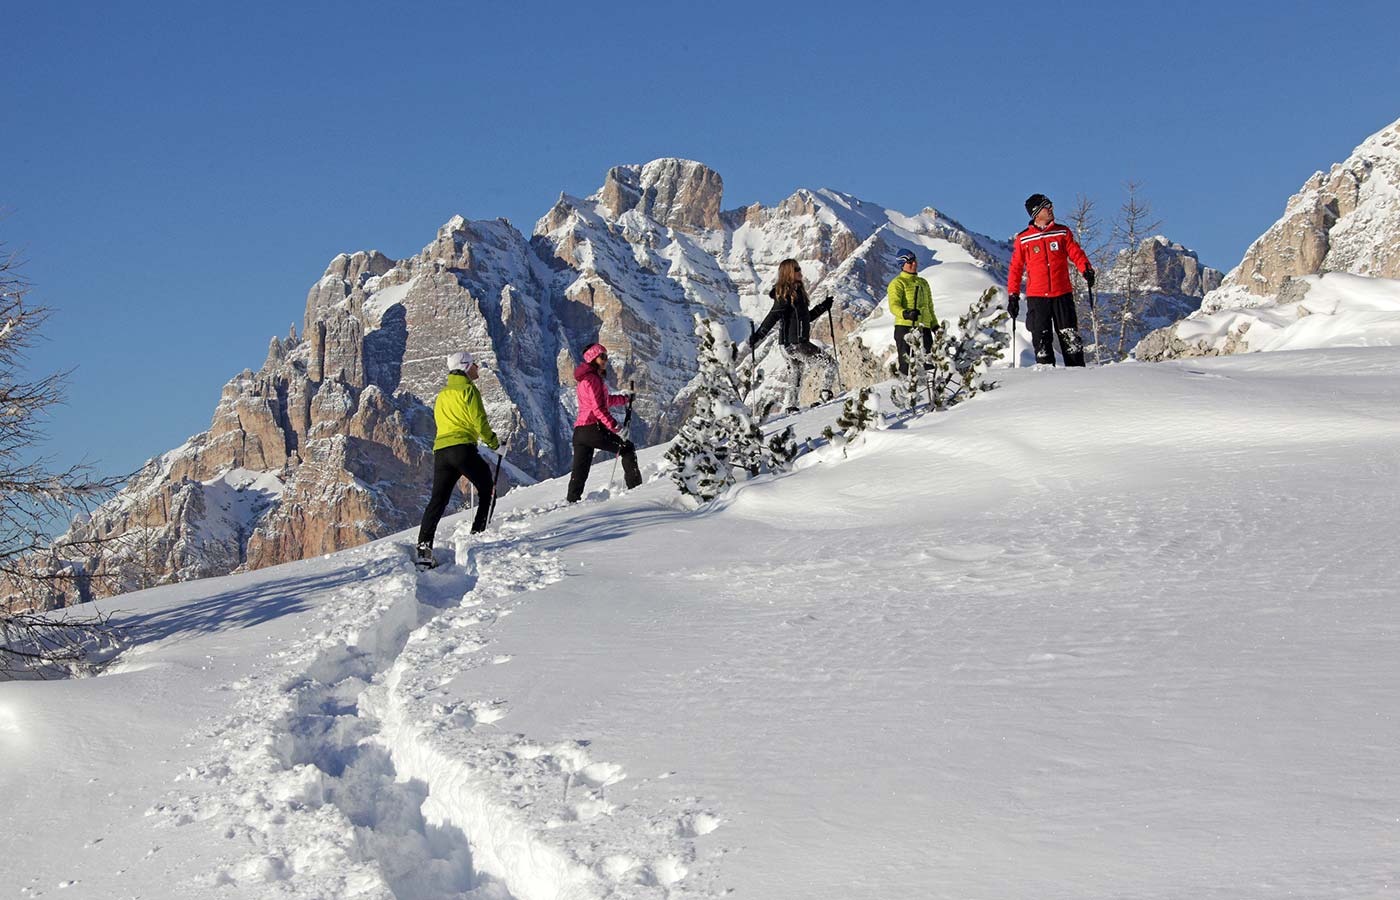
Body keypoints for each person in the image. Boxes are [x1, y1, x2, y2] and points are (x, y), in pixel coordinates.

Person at [416, 350, 499, 568]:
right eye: (474, 364)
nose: (477, 368)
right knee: (487, 489)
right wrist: (494, 443)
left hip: (441, 451)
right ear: (465, 367)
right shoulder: (469, 391)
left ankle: (424, 550)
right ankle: (477, 537)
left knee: (437, 501)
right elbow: (479, 421)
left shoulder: (442, 395)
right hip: (463, 448)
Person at [1007, 194, 1095, 367]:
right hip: (1037, 298)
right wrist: (1013, 296)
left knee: (1071, 340)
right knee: (1042, 343)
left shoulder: (1062, 232)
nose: (1052, 209)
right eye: (1048, 207)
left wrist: (1086, 269)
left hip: (1062, 294)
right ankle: (1047, 383)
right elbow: (1016, 268)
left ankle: (1079, 378)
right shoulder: (1024, 239)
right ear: (1036, 212)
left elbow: (1076, 253)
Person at [750, 258, 835, 412]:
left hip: (786, 346)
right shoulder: (785, 295)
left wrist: (824, 307)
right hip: (797, 344)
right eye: (796, 269)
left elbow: (805, 318)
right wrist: (758, 335)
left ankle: (791, 406)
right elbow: (773, 316)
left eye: (799, 268)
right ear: (788, 273)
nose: (800, 272)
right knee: (830, 364)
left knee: (796, 372)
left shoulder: (796, 293)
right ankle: (825, 395)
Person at [566, 343, 641, 503]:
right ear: (593, 358)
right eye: (603, 357)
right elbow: (599, 409)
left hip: (580, 432)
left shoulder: (585, 379)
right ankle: (638, 492)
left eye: (606, 356)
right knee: (627, 449)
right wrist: (617, 428)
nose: (606, 360)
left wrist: (625, 398)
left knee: (579, 471)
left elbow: (605, 401)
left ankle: (571, 503)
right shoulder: (593, 379)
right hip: (593, 428)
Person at [886, 249, 937, 375]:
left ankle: (930, 391)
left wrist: (934, 325)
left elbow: (929, 306)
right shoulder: (897, 283)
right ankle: (905, 391)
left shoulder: (923, 282)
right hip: (905, 327)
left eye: (914, 261)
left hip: (923, 327)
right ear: (902, 265)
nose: (914, 264)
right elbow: (894, 305)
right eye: (910, 262)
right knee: (907, 364)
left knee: (929, 362)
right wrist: (906, 313)